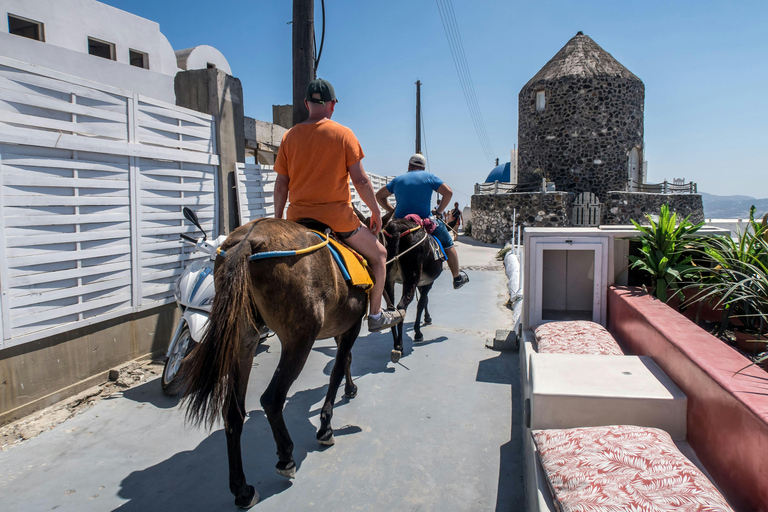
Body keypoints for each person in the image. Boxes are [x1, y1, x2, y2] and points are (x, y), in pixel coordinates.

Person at [273, 78, 404, 332]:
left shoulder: (289, 137)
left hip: (297, 220)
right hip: (338, 221)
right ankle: (376, 316)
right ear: (332, 105)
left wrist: (279, 223)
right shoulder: (344, 135)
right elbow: (362, 181)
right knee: (380, 256)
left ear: (306, 104)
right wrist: (376, 211)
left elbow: (281, 186)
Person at [375, 153, 470, 289]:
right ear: (423, 168)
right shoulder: (429, 177)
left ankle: (376, 272)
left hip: (399, 222)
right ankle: (457, 278)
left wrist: (393, 211)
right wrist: (439, 211)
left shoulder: (398, 180)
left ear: (409, 165)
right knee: (448, 244)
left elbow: (379, 196)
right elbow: (448, 192)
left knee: (381, 243)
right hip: (423, 221)